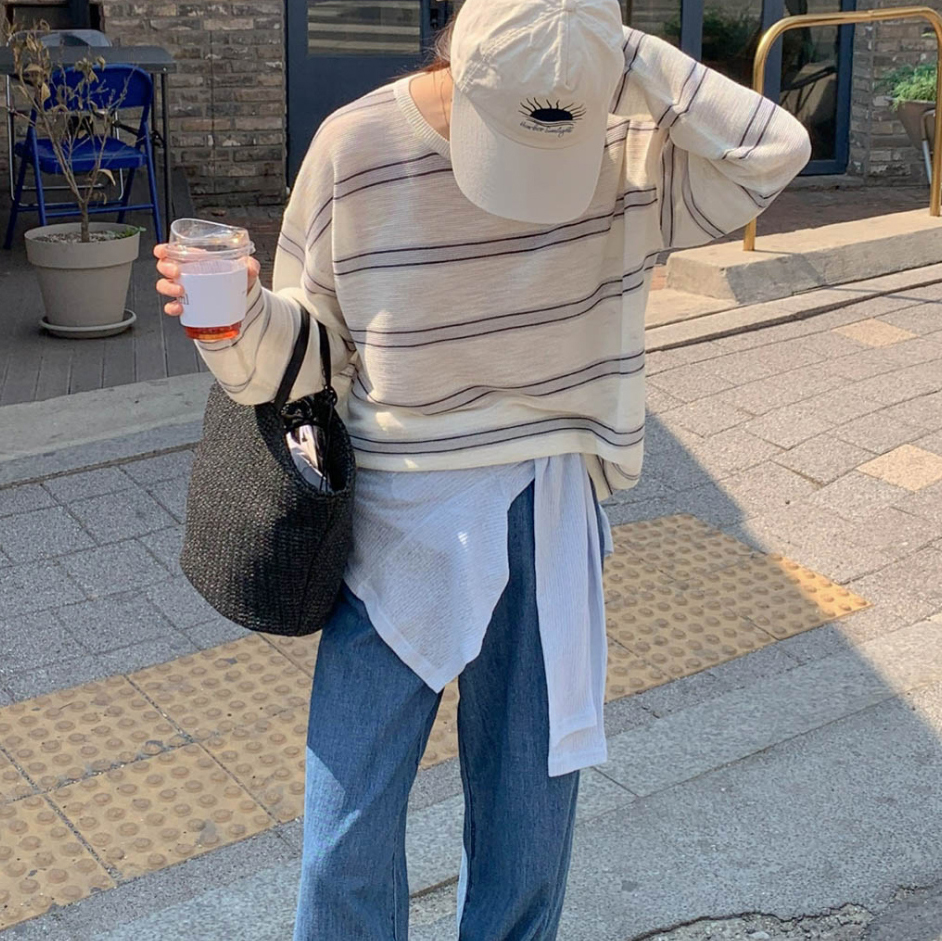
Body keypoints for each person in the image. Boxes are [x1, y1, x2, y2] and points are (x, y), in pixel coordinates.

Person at [155, 0, 811, 936]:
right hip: (397, 525)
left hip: (549, 511)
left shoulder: (623, 145)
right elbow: (309, 355)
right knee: (344, 837)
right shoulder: (358, 145)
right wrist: (237, 326)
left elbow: (774, 149)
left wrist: (601, 50)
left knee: (526, 839)